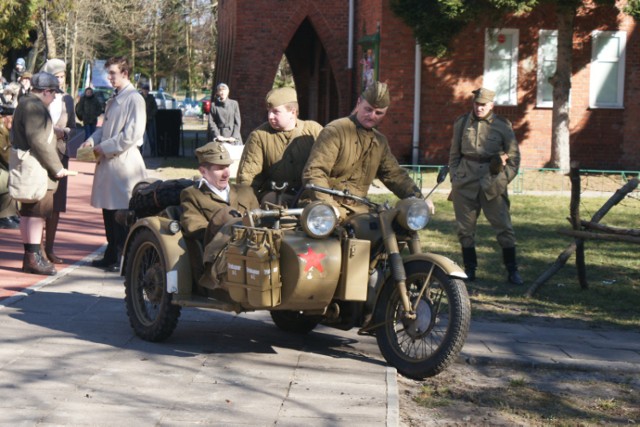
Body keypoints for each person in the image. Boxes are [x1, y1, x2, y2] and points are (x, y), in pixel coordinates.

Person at [302, 81, 424, 218]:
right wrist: (326, 205)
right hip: (327, 208)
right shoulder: (335, 131)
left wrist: (418, 198)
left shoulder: (380, 141)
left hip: (359, 210)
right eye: (368, 109)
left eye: (379, 113)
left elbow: (394, 175)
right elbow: (314, 172)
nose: (372, 116)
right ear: (359, 102)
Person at [448, 87, 523, 285]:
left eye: (483, 105)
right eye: (476, 104)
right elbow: (454, 154)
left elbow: (514, 159)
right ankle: (470, 270)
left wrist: (501, 180)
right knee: (465, 230)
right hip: (465, 181)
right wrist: (455, 177)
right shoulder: (462, 123)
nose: (479, 108)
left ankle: (512, 270)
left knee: (504, 228)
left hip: (492, 181)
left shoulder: (502, 126)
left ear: (491, 105)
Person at [79, 56, 148, 272]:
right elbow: (106, 127)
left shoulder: (134, 99)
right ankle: (112, 251)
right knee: (108, 211)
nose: (109, 78)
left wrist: (105, 147)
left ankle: (124, 255)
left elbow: (132, 134)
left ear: (125, 73)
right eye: (108, 73)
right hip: (111, 163)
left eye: (113, 73)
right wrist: (93, 139)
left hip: (124, 165)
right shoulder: (114, 98)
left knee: (122, 212)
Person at [10, 72, 71, 275]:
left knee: (29, 213)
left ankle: (31, 257)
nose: (54, 97)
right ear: (46, 91)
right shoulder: (34, 107)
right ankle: (34, 258)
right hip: (37, 170)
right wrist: (57, 167)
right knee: (37, 213)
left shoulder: (25, 103)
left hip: (29, 166)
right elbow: (39, 142)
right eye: (53, 93)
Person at [237, 87, 322, 205]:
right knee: (272, 201)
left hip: (309, 196)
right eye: (269, 111)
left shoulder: (314, 130)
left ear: (293, 112)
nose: (270, 116)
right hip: (276, 197)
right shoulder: (259, 136)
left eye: (275, 112)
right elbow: (247, 178)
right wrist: (246, 205)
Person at [180, 141, 258, 244]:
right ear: (203, 171)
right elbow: (195, 228)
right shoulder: (192, 195)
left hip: (255, 249)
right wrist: (224, 224)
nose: (227, 174)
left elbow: (261, 221)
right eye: (220, 168)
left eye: (227, 167)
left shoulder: (246, 191)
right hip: (219, 253)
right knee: (226, 214)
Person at [40, 58, 77, 264]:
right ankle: (36, 251)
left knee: (56, 204)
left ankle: (50, 248)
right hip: (40, 154)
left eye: (63, 76)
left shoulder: (68, 100)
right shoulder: (37, 97)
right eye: (57, 76)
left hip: (60, 155)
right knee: (39, 202)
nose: (61, 80)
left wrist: (65, 132)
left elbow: (73, 125)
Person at [0, 104, 20, 229]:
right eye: (10, 118)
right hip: (3, 167)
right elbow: (4, 154)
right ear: (3, 118)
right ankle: (4, 215)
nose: (12, 122)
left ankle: (11, 213)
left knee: (13, 176)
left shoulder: (7, 131)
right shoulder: (1, 132)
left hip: (3, 166)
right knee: (8, 178)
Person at [139, 83, 157, 156]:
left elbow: (155, 108)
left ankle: (153, 152)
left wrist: (150, 116)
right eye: (144, 89)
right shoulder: (139, 97)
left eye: (147, 90)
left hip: (149, 120)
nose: (145, 91)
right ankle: (140, 152)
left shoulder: (151, 97)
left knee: (151, 137)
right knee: (140, 137)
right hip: (141, 120)